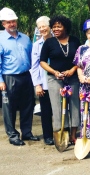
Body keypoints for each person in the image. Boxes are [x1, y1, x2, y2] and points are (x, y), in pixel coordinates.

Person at [0, 7, 39, 146]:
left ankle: (27, 132)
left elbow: (33, 58)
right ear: (3, 23)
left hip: (26, 76)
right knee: (9, 107)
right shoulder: (0, 38)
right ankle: (13, 135)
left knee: (28, 105)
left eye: (13, 21)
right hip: (9, 77)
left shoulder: (25, 38)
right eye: (8, 22)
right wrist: (0, 80)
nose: (11, 24)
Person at [40, 15, 81, 145]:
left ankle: (73, 135)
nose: (56, 29)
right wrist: (54, 72)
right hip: (55, 79)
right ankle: (62, 133)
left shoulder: (74, 41)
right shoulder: (49, 42)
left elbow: (80, 60)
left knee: (74, 106)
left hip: (73, 78)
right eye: (54, 26)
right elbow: (42, 62)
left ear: (65, 27)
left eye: (59, 26)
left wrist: (72, 70)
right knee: (57, 108)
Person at [30, 16, 54, 145]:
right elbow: (34, 66)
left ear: (50, 27)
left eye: (44, 26)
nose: (42, 29)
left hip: (58, 81)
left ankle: (63, 132)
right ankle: (48, 136)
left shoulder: (57, 41)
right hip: (43, 83)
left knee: (61, 109)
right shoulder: (36, 45)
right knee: (45, 111)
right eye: (40, 27)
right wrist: (37, 84)